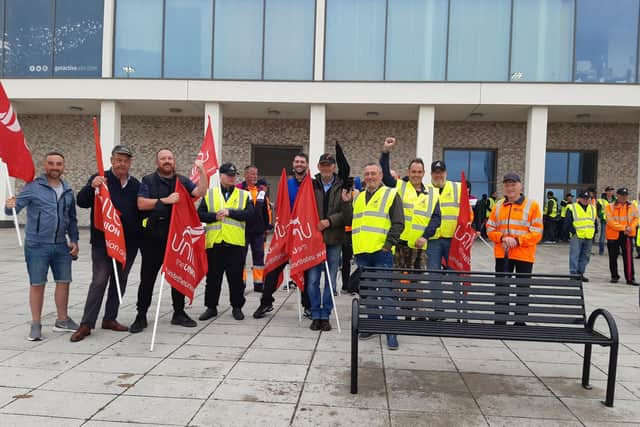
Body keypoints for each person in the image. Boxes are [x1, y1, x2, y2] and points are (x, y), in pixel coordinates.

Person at [129, 149, 207, 333]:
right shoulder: (148, 180)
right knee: (147, 278)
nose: (167, 161)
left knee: (178, 273)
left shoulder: (182, 180)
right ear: (157, 162)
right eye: (163, 158)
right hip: (153, 237)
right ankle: (141, 316)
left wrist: (203, 172)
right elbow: (141, 203)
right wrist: (166, 200)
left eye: (170, 158)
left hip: (176, 237)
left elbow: (201, 191)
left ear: (174, 161)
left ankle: (178, 313)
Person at [4, 151, 79, 341]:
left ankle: (62, 320)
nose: (55, 167)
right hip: (37, 245)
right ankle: (36, 324)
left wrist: (75, 241)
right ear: (45, 166)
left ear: (64, 166)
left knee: (64, 282)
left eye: (59, 164)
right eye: (51, 163)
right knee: (37, 284)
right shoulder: (33, 187)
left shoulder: (68, 190)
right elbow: (13, 208)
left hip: (61, 245)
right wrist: (9, 205)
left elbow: (71, 220)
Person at [71, 145, 141, 342]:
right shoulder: (100, 179)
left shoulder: (135, 184)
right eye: (119, 160)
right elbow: (82, 201)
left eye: (126, 160)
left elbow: (141, 209)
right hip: (104, 241)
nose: (122, 163)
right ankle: (86, 323)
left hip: (128, 243)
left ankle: (110, 318)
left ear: (130, 163)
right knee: (100, 280)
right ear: (112, 161)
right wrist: (91, 186)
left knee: (121, 280)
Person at [253, 153, 312, 319]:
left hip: (302, 234)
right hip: (285, 233)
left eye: (302, 162)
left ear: (306, 165)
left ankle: (307, 306)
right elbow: (280, 206)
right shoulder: (286, 183)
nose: (299, 164)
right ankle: (266, 303)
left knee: (304, 270)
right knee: (273, 268)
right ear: (293, 164)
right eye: (297, 161)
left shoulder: (312, 184)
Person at [353, 162, 404, 349]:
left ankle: (391, 331)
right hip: (362, 253)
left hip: (381, 253)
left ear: (381, 175)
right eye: (366, 174)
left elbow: (398, 223)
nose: (370, 177)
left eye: (373, 173)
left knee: (385, 292)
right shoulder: (358, 197)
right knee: (369, 293)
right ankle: (373, 325)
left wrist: (387, 245)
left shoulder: (391, 194)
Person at [198, 163, 254, 321]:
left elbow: (250, 214)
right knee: (213, 278)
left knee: (236, 279)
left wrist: (230, 212)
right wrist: (214, 216)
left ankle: (237, 307)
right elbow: (200, 214)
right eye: (228, 175)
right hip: (215, 243)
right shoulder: (210, 194)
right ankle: (211, 307)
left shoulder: (244, 195)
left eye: (234, 175)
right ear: (220, 176)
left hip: (235, 244)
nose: (232, 177)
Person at [486, 172, 543, 326]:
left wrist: (517, 241)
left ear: (520, 186)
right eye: (507, 185)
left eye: (513, 184)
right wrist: (503, 238)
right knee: (501, 288)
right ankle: (500, 320)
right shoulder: (498, 206)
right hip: (502, 253)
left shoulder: (533, 206)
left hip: (524, 254)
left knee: (522, 289)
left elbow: (537, 233)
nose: (510, 188)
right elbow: (489, 229)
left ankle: (520, 322)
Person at [379, 137, 440, 272]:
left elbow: (436, 219)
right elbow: (385, 175)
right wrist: (386, 152)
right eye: (413, 172)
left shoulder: (433, 193)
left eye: (419, 172)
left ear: (424, 173)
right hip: (399, 244)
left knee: (415, 285)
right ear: (408, 172)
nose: (416, 175)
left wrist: (425, 236)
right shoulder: (400, 186)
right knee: (397, 283)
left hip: (418, 246)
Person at [307, 153, 351, 331]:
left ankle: (326, 314)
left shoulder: (343, 186)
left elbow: (348, 215)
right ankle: (315, 313)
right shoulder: (310, 185)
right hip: (314, 241)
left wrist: (329, 221)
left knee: (331, 280)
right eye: (323, 165)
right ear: (318, 167)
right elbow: (304, 209)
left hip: (334, 239)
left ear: (334, 167)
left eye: (329, 165)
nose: (326, 168)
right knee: (312, 280)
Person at [237, 165, 272, 292]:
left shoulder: (261, 191)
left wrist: (267, 225)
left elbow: (266, 210)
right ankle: (241, 282)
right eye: (252, 174)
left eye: (256, 174)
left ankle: (258, 283)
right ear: (245, 175)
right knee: (241, 257)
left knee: (259, 257)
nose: (255, 176)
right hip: (243, 229)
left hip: (258, 231)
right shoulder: (239, 190)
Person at [426, 160, 465, 270]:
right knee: (433, 274)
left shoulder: (458, 188)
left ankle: (455, 288)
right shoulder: (426, 190)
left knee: (455, 273)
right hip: (432, 239)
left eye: (441, 172)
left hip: (453, 240)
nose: (438, 175)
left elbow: (468, 212)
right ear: (431, 174)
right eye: (435, 172)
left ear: (446, 173)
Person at [605, 187, 639, 286]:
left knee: (628, 257)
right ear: (618, 195)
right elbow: (610, 222)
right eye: (622, 195)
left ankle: (630, 278)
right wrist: (624, 228)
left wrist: (630, 228)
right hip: (614, 234)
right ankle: (614, 276)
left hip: (627, 235)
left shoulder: (632, 206)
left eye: (626, 195)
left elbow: (636, 219)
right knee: (613, 257)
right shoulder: (609, 206)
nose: (624, 197)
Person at [563, 191, 596, 282]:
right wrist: (571, 232)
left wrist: (594, 232)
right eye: (584, 198)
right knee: (575, 255)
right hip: (577, 235)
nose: (585, 200)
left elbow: (594, 221)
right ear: (579, 199)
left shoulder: (593, 208)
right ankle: (573, 274)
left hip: (589, 235)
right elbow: (567, 222)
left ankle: (580, 273)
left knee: (586, 256)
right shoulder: (572, 207)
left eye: (587, 199)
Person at [598, 186, 616, 255]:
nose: (610, 192)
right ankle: (601, 250)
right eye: (609, 191)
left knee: (613, 237)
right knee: (603, 236)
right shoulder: (601, 201)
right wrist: (604, 217)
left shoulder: (616, 200)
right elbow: (599, 211)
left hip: (614, 222)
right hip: (604, 221)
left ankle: (612, 250)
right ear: (606, 192)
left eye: (611, 191)